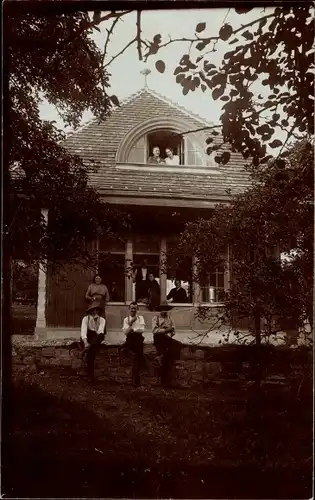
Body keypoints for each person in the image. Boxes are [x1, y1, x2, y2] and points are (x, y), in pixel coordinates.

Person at [152, 301, 181, 387]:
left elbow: (173, 330)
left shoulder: (170, 319)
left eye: (166, 309)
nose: (164, 311)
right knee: (168, 352)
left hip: (167, 339)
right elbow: (154, 330)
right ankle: (163, 355)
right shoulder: (155, 318)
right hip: (159, 339)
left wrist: (169, 333)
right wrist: (165, 330)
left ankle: (163, 356)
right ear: (160, 310)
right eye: (162, 309)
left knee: (177, 345)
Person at [80, 301, 106, 383]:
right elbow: (83, 332)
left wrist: (96, 322)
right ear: (91, 311)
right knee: (91, 355)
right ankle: (91, 377)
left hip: (97, 337)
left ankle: (85, 350)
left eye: (97, 310)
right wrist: (86, 343)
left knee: (101, 335)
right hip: (89, 338)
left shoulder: (102, 320)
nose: (95, 312)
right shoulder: (86, 318)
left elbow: (100, 332)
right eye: (93, 310)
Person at [121, 302, 145, 386]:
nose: (133, 310)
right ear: (129, 309)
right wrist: (131, 323)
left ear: (137, 309)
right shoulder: (126, 319)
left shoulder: (140, 318)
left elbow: (141, 330)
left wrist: (132, 330)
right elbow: (125, 332)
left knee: (137, 357)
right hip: (130, 340)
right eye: (132, 308)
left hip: (138, 339)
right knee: (126, 350)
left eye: (135, 308)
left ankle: (135, 379)